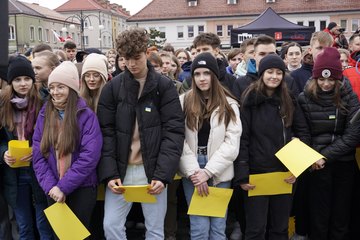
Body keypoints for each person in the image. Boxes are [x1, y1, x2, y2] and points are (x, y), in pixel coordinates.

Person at [97, 27, 185, 240]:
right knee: (111, 226)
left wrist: (162, 175)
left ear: (147, 52)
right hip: (121, 170)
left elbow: (174, 131)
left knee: (155, 230)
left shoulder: (164, 86)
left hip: (152, 170)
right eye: (126, 58)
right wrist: (109, 173)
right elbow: (105, 132)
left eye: (136, 57)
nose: (131, 64)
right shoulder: (113, 87)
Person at [234, 54, 310, 240]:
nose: (274, 76)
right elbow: (242, 139)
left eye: (278, 72)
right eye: (270, 72)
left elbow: (302, 133)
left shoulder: (289, 100)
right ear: (262, 74)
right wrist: (242, 175)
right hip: (257, 175)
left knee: (280, 228)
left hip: (284, 174)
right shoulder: (249, 100)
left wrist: (297, 168)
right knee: (255, 229)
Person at [32, 61, 102, 231]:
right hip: (53, 187)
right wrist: (51, 187)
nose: (55, 92)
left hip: (82, 187)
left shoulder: (86, 115)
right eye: (52, 87)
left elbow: (89, 156)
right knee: (60, 234)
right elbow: (38, 154)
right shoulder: (44, 113)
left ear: (71, 88)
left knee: (77, 234)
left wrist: (64, 187)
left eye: (61, 87)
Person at [298, 47, 360, 240]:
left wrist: (325, 156)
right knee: (319, 216)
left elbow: (352, 135)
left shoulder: (349, 97)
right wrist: (313, 158)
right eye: (322, 79)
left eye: (331, 79)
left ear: (338, 79)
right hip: (316, 166)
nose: (326, 83)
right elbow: (303, 132)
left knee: (341, 215)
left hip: (343, 163)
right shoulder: (304, 98)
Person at [179, 52, 242, 240]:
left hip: (219, 167)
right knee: (198, 226)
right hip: (192, 167)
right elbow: (177, 138)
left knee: (218, 225)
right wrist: (194, 171)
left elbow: (232, 142)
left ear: (214, 75)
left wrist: (209, 171)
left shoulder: (229, 104)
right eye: (197, 74)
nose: (201, 78)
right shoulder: (183, 101)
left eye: (206, 73)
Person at [0, 55, 53, 240]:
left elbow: (53, 137)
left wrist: (37, 151)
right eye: (17, 79)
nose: (23, 84)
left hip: (40, 171)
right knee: (24, 226)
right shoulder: (3, 105)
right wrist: (3, 153)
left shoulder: (44, 101)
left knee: (44, 223)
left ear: (32, 80)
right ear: (10, 82)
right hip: (14, 174)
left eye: (27, 79)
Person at [232, 35, 299, 101]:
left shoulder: (288, 81)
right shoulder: (241, 83)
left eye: (271, 54)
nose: (267, 57)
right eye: (262, 54)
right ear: (254, 55)